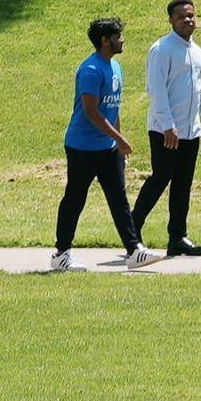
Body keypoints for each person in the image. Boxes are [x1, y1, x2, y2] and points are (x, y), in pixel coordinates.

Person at [51, 16, 148, 269]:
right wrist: (120, 139)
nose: (122, 40)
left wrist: (118, 142)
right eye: (118, 36)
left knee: (119, 198)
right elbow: (92, 112)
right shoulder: (91, 70)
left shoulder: (116, 67)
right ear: (105, 41)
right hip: (82, 146)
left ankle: (134, 250)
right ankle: (61, 254)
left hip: (108, 148)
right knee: (75, 198)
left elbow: (113, 109)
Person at [138, 0, 201, 258]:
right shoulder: (162, 49)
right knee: (160, 179)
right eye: (181, 17)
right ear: (171, 21)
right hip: (166, 130)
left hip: (191, 130)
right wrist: (167, 125)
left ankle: (177, 237)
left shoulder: (197, 52)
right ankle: (131, 229)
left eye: (191, 15)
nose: (188, 20)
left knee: (182, 184)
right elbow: (156, 90)